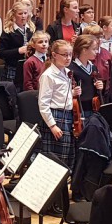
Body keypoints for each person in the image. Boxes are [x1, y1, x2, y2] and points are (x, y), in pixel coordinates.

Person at [37, 39, 79, 174]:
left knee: (68, 155)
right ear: (54, 55)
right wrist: (52, 125)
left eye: (70, 55)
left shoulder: (67, 72)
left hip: (67, 115)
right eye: (64, 55)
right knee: (56, 158)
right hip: (55, 117)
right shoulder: (48, 75)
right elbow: (43, 104)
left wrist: (73, 93)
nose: (68, 58)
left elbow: (61, 95)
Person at [0, 2, 35, 83]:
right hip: (13, 69)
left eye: (25, 13)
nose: (23, 16)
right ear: (14, 15)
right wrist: (18, 51)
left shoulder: (31, 30)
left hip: (28, 68)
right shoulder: (8, 31)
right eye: (20, 14)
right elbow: (0, 53)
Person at [70, 34, 104, 112]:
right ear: (84, 50)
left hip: (94, 107)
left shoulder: (93, 67)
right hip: (79, 109)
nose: (96, 52)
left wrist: (100, 87)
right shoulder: (71, 68)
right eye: (94, 49)